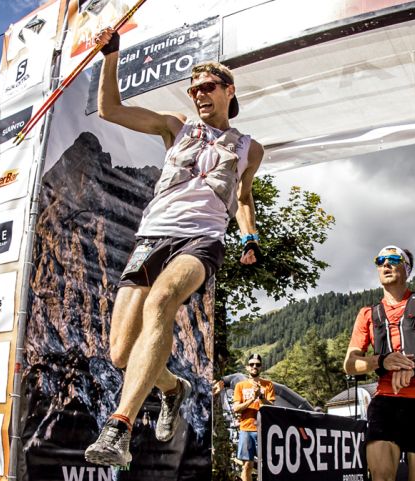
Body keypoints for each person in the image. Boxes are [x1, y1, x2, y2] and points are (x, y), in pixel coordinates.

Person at [84, 27, 264, 466]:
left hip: (203, 238)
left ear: (228, 90)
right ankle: (171, 387)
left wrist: (250, 235)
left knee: (162, 299)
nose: (199, 95)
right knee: (121, 353)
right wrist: (112, 56)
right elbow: (109, 109)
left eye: (207, 87)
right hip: (152, 236)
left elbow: (242, 197)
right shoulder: (175, 125)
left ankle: (118, 429)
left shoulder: (248, 148)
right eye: (193, 89)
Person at [343, 245, 415, 481]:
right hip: (386, 401)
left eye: (393, 259)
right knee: (381, 478)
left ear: (406, 268)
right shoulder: (368, 314)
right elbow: (350, 364)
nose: (386, 264)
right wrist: (382, 360)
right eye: (380, 260)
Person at [232, 353, 276, 481]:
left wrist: (261, 397)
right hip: (246, 429)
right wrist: (252, 398)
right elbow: (236, 408)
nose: (254, 366)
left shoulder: (268, 385)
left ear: (261, 367)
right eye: (251, 364)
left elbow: (273, 408)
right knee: (247, 465)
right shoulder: (240, 386)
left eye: (257, 364)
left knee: (268, 465)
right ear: (247, 367)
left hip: (264, 430)